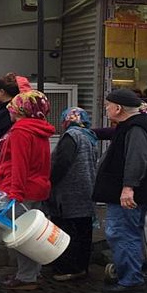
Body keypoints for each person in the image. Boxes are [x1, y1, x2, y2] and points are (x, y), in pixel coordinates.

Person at [93, 89, 147, 293]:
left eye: (108, 106)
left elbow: (136, 159)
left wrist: (128, 187)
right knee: (127, 232)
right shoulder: (135, 124)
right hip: (132, 191)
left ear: (118, 108)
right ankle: (129, 274)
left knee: (122, 233)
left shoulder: (136, 127)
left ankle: (130, 280)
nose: (107, 109)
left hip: (129, 193)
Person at [0, 91, 55, 289]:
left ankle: (26, 277)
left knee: (22, 237)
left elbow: (19, 165)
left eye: (13, 106)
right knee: (34, 234)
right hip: (38, 188)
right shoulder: (40, 130)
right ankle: (32, 273)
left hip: (22, 190)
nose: (10, 109)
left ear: (21, 109)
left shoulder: (21, 131)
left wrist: (15, 194)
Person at [48, 107, 97, 282]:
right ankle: (82, 267)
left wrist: (50, 181)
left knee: (68, 231)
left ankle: (68, 268)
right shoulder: (89, 135)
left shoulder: (71, 136)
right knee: (84, 231)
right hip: (87, 190)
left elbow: (62, 164)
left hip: (70, 193)